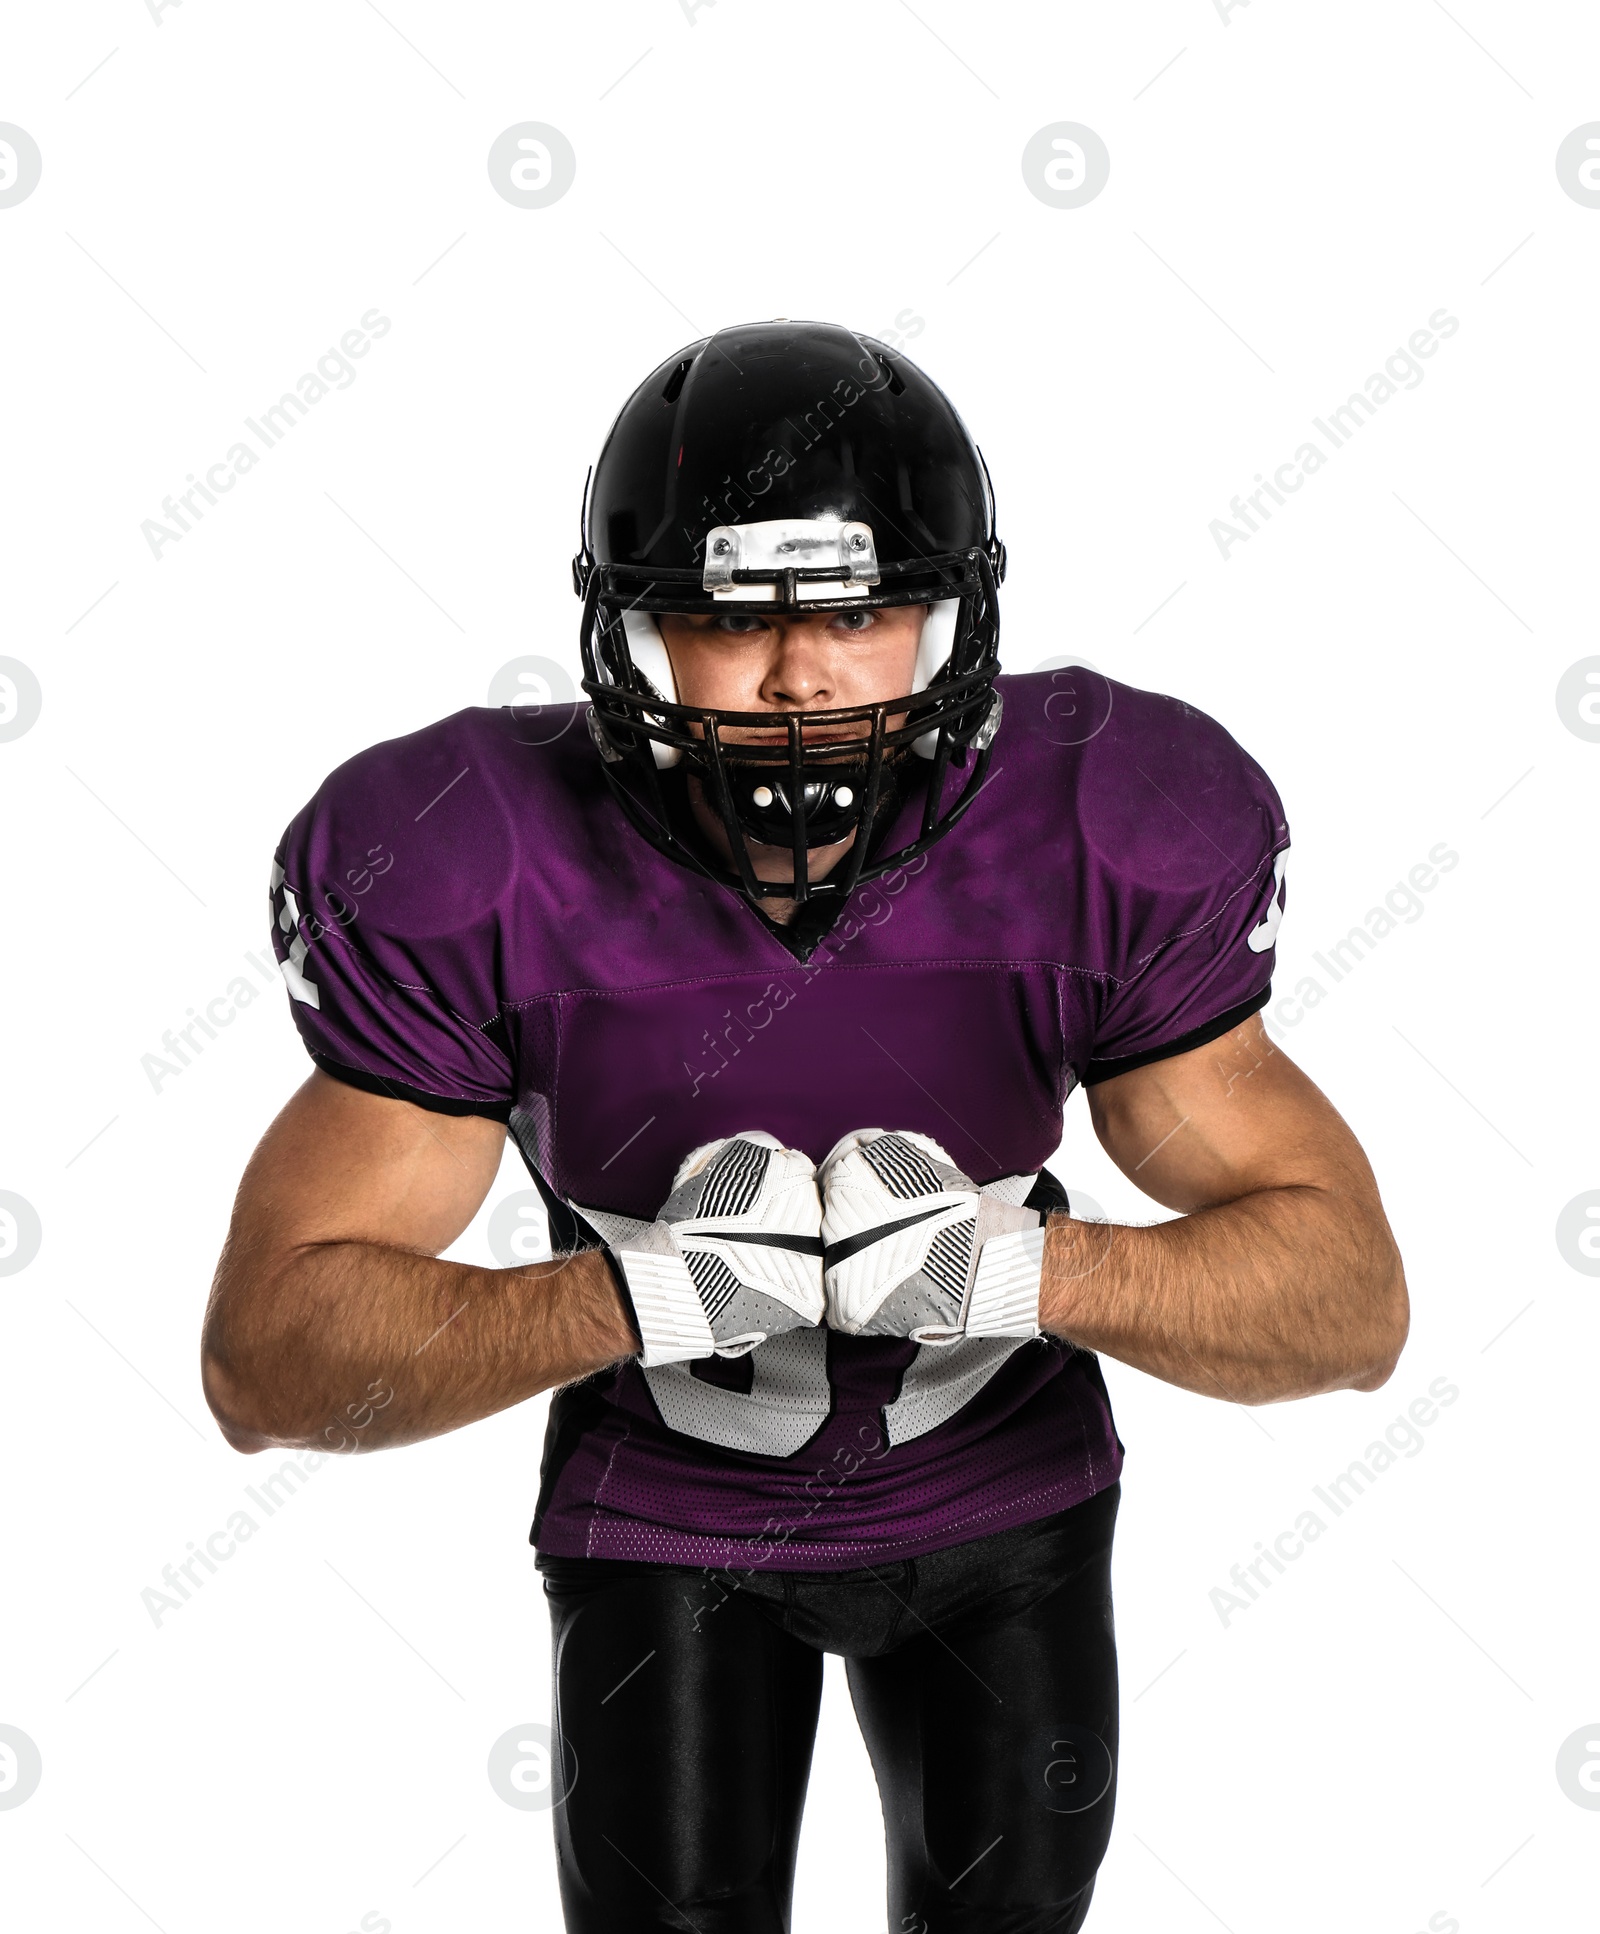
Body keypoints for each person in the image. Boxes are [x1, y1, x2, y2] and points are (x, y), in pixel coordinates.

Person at [201, 320, 1408, 1933]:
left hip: (1003, 1496)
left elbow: (1351, 1307)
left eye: (858, 606)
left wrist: (1029, 1275)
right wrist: (624, 1299)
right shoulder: (468, 859)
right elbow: (264, 1363)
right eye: (722, 616)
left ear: (947, 615)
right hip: (666, 1505)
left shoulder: (1101, 824)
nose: (798, 673)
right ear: (633, 633)